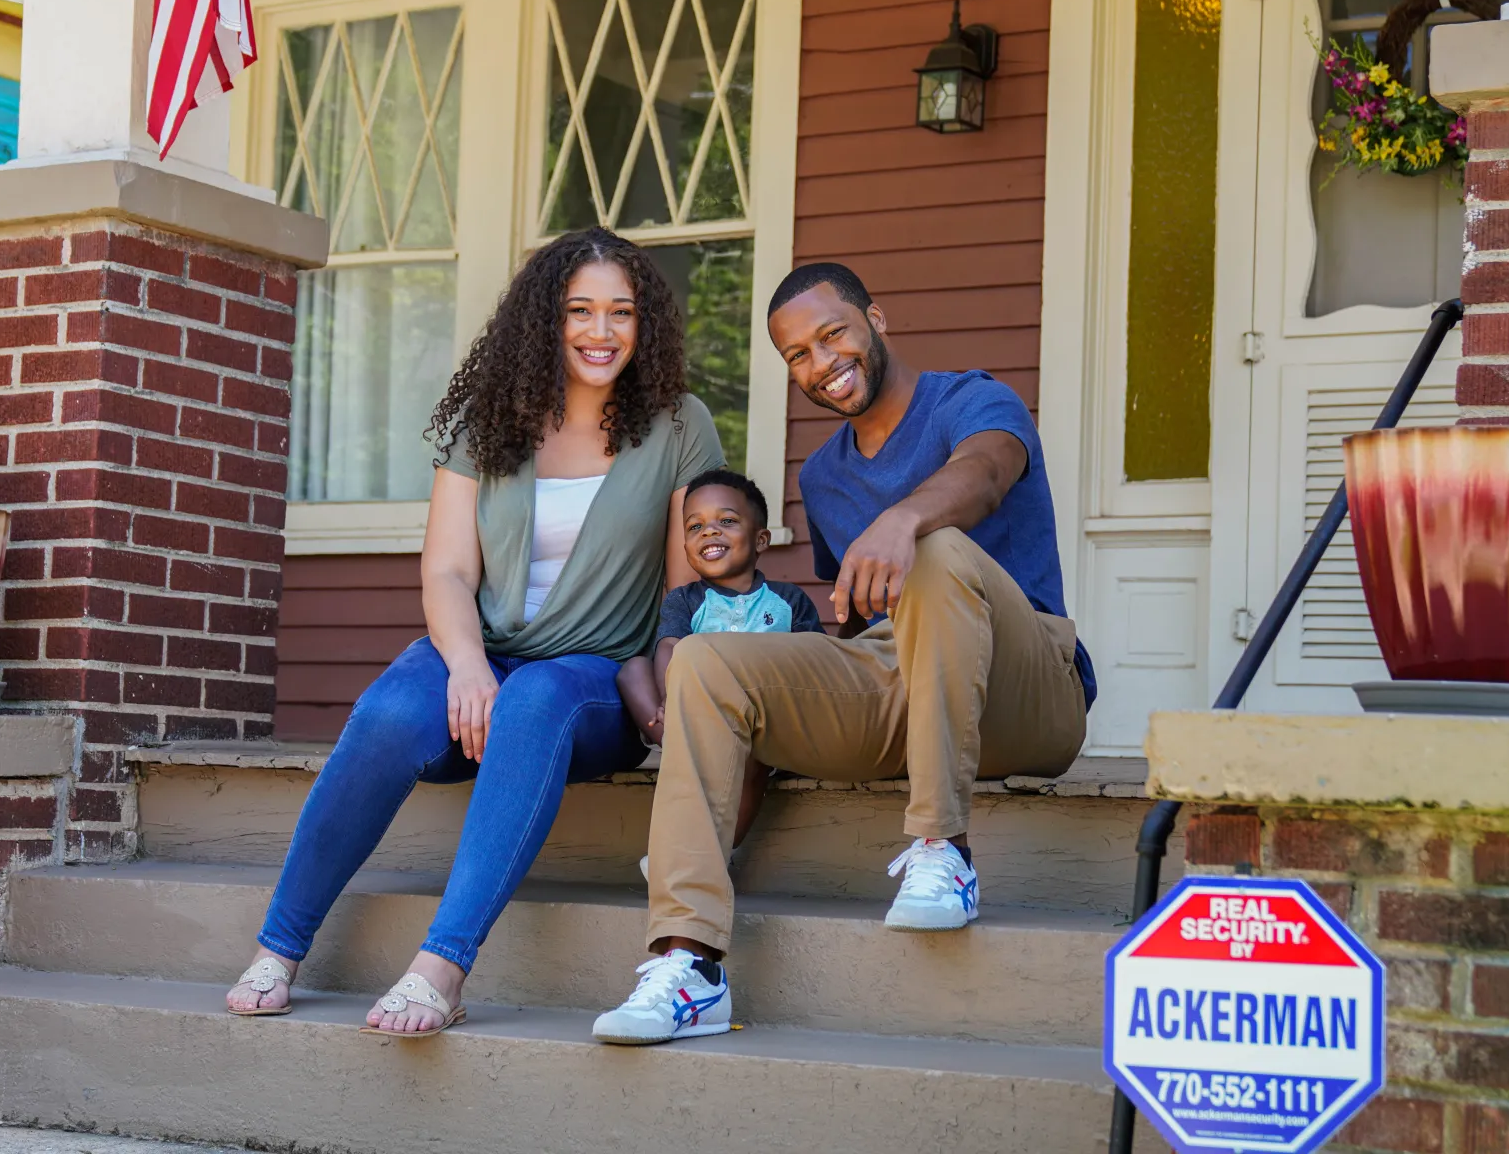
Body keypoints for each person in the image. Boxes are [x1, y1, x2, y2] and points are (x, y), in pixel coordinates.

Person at [224, 227, 723, 1037]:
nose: (603, 332)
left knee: (535, 697)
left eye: (622, 313)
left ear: (647, 324)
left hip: (593, 685)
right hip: (481, 660)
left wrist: (670, 699)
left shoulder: (678, 425)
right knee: (388, 713)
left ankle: (443, 967)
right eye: (581, 311)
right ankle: (280, 946)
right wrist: (464, 666)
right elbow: (448, 572)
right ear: (544, 319)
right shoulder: (491, 418)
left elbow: (681, 591)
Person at [592, 261, 1096, 1045]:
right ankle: (690, 964)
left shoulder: (972, 400)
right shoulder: (824, 474)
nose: (821, 363)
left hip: (1027, 689)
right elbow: (858, 626)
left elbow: (986, 473)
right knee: (703, 659)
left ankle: (943, 849)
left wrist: (904, 520)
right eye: (797, 355)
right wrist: (783, 715)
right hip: (901, 692)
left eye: (833, 335)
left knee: (931, 547)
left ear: (877, 319)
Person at [617, 468, 826, 866]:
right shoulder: (685, 601)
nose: (709, 532)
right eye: (695, 527)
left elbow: (814, 662)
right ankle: (677, 736)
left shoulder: (787, 601)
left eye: (726, 521)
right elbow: (670, 649)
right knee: (632, 670)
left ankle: (716, 851)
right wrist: (671, 700)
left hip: (765, 727)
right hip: (696, 716)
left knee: (751, 757)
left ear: (761, 538)